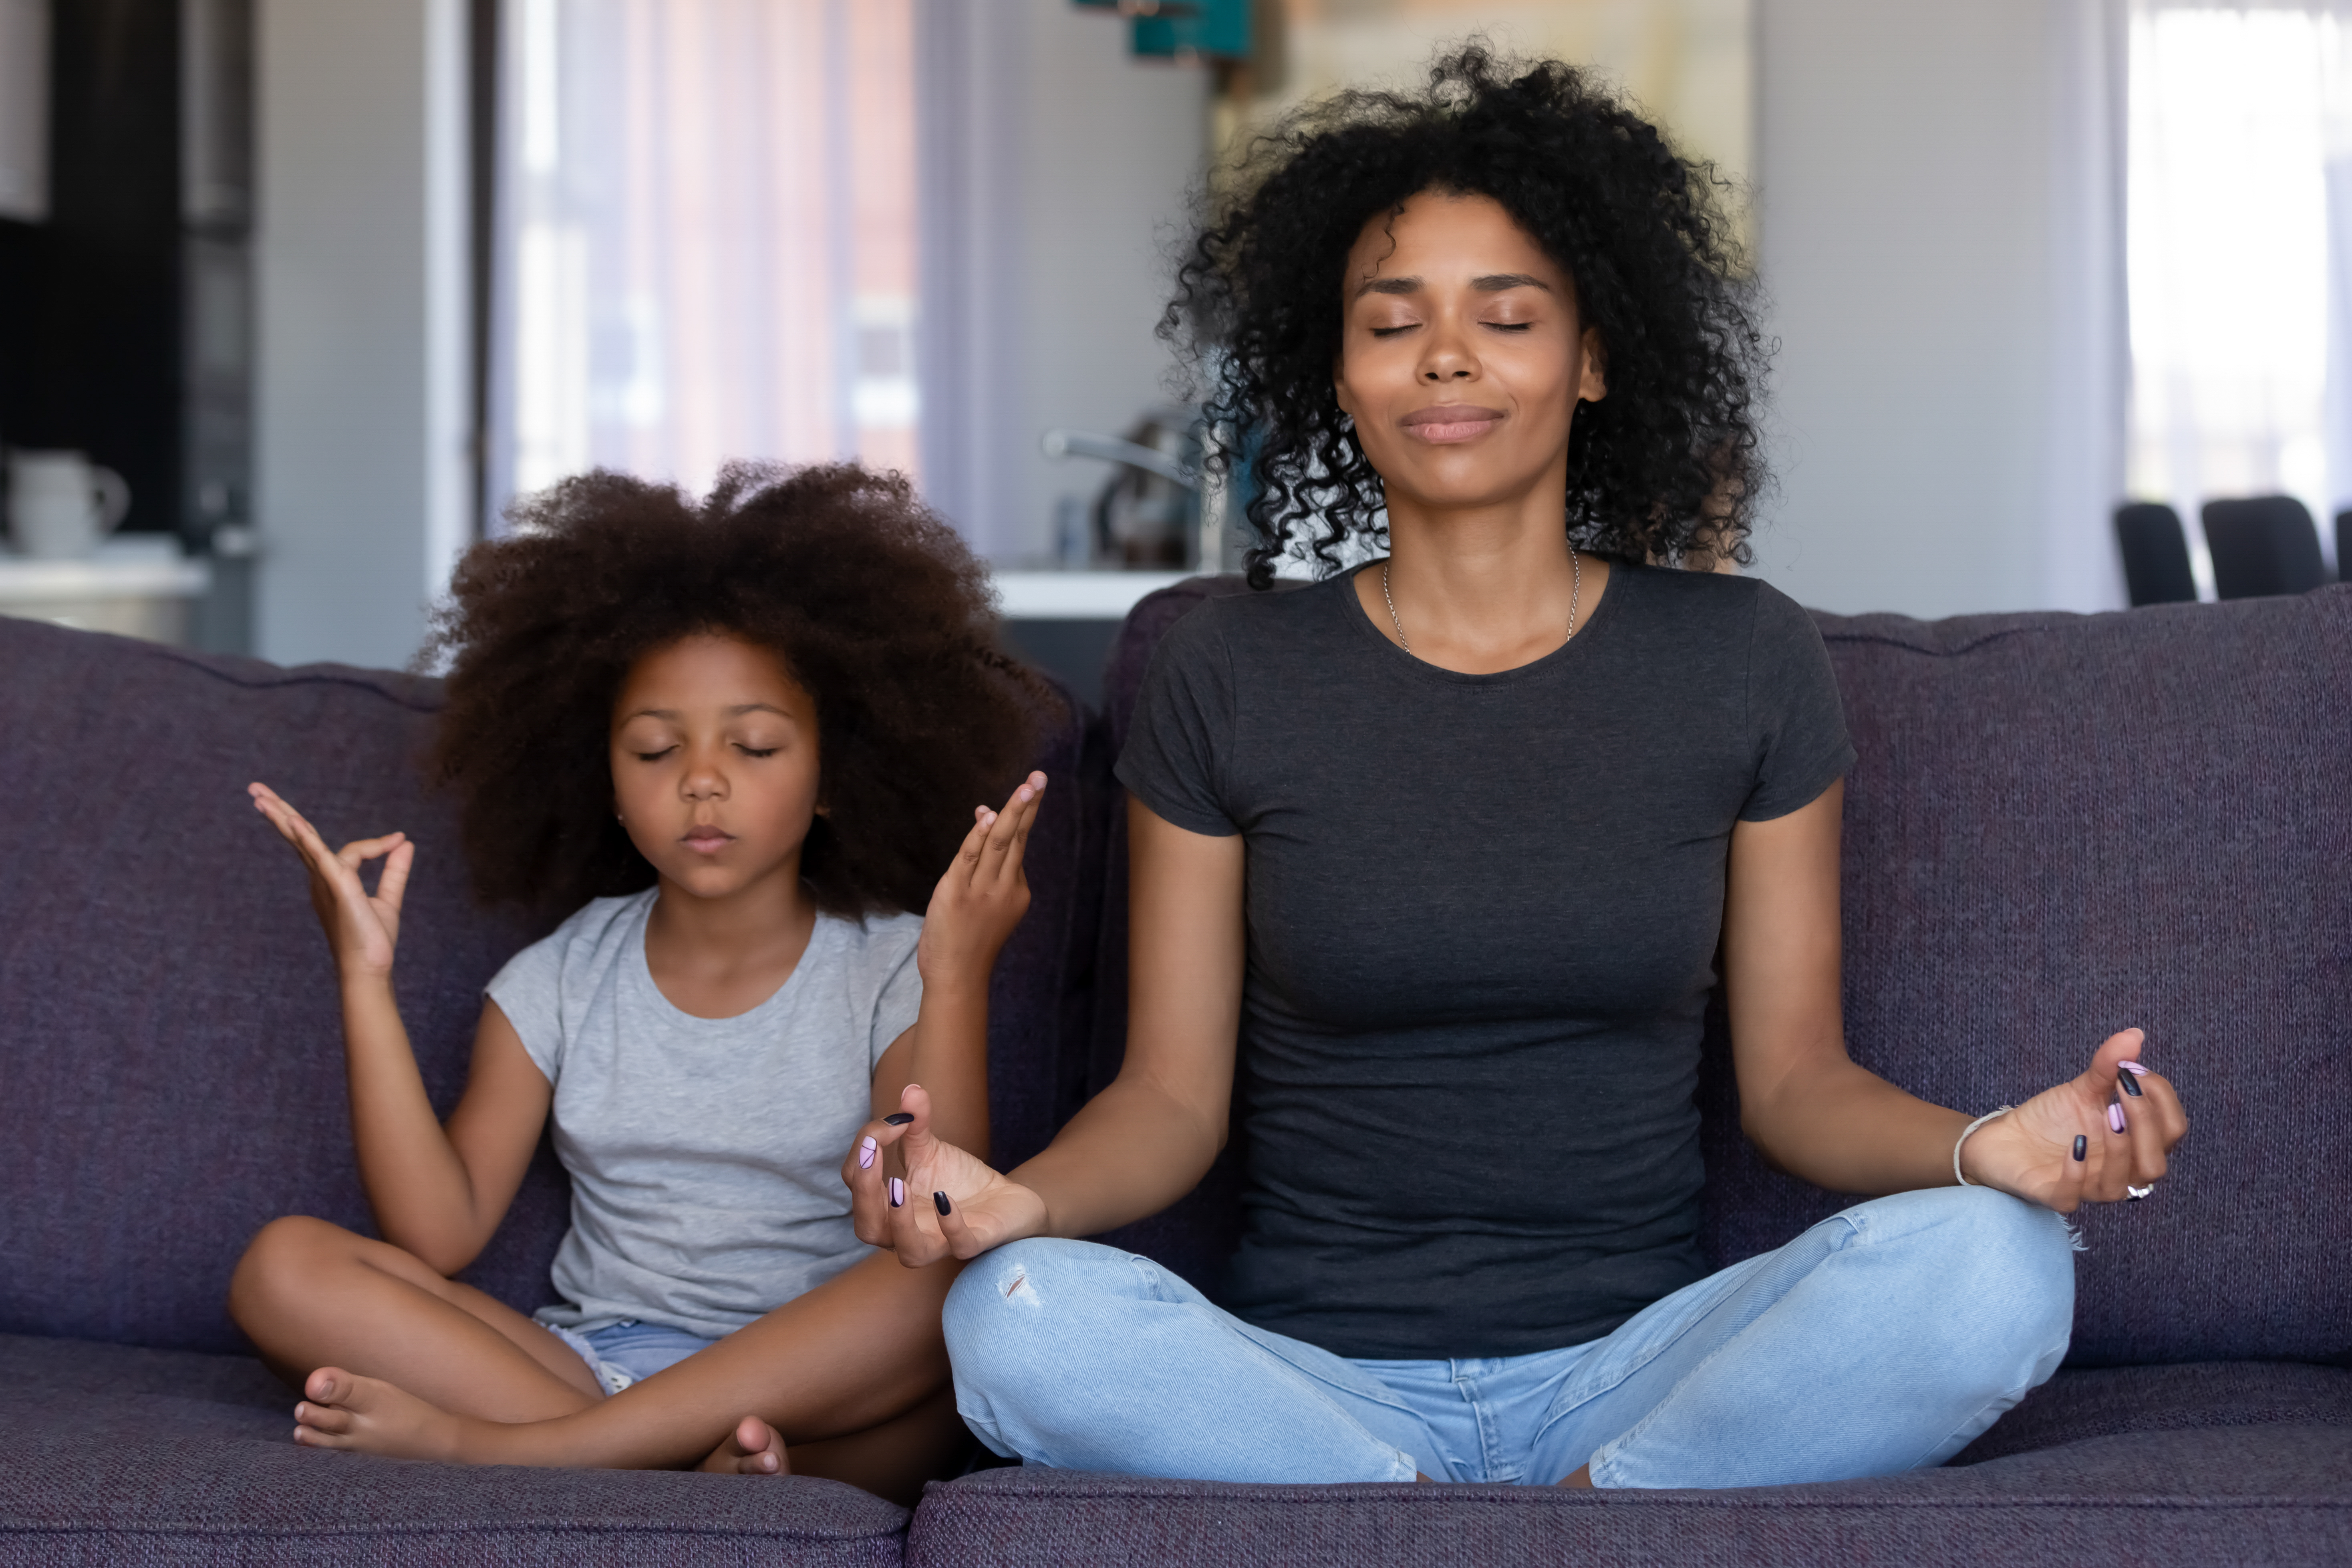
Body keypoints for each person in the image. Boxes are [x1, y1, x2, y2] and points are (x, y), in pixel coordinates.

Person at [845, 50, 2191, 1490]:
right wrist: (1017, 1204)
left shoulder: (1741, 657)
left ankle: (1571, 1503)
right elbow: (1171, 1101)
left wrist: (1998, 1147)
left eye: (1507, 315)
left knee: (2003, 1262)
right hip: (1308, 1382)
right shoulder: (1228, 676)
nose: (1446, 356)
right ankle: (1444, 1509)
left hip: (1646, 1366)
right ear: (1340, 370)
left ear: (1593, 358)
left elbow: (1798, 1082)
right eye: (1391, 320)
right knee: (1012, 1313)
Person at [229, 463, 1049, 1504]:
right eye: (656, 749)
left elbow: (922, 1207)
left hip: (819, 1381)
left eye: (753, 744)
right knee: (281, 1264)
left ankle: (527, 1453)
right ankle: (696, 1467)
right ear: (605, 783)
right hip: (589, 1365)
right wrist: (362, 977)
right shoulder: (563, 975)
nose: (702, 778)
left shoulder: (890, 962)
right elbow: (439, 1231)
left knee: (940, 1287)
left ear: (835, 776)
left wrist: (958, 974)